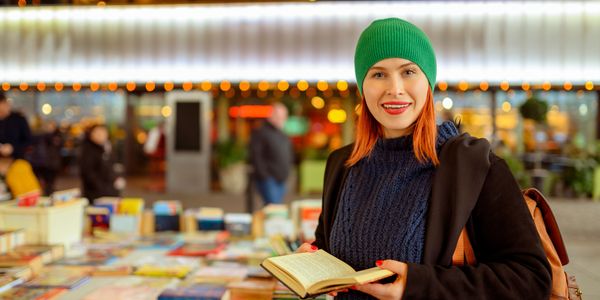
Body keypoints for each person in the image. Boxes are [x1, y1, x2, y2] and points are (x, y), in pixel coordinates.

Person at [296, 18, 551, 299]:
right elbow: (330, 247)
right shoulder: (342, 164)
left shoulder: (474, 166)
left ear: (427, 82)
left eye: (408, 72)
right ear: (363, 86)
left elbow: (530, 278)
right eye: (378, 74)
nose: (394, 88)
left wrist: (419, 285)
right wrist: (313, 260)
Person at [249, 103, 293, 205]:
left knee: (274, 209)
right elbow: (256, 156)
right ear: (271, 115)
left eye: (284, 116)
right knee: (274, 208)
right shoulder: (261, 132)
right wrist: (265, 176)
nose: (282, 119)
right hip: (269, 180)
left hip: (281, 179)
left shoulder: (282, 133)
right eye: (279, 116)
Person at [79, 124, 124, 204]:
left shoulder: (108, 147)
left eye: (103, 133)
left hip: (111, 189)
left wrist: (117, 179)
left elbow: (113, 165)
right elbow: (88, 172)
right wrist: (101, 187)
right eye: (98, 133)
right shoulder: (88, 150)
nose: (101, 135)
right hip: (96, 193)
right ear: (91, 135)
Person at [0, 92, 32, 160]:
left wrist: (13, 148)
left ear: (5, 103)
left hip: (17, 161)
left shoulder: (19, 119)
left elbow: (29, 141)